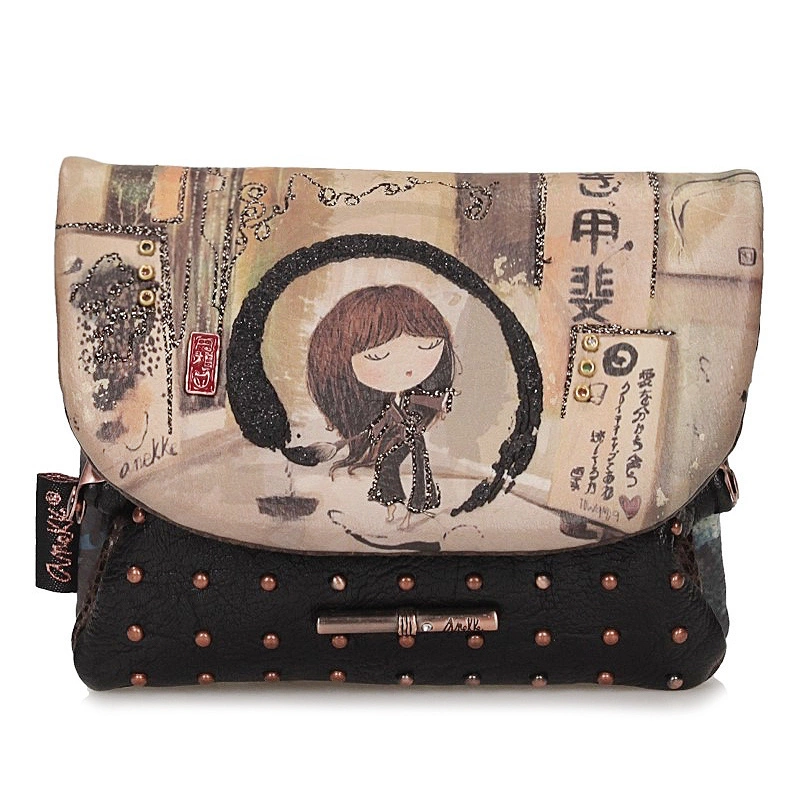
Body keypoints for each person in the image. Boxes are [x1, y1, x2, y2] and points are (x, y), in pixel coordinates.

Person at [306, 284, 456, 527]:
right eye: (377, 356)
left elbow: (430, 402)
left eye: (428, 346)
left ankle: (417, 504)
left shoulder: (413, 396)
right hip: (402, 438)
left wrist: (442, 402)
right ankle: (391, 503)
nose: (407, 368)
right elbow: (383, 421)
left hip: (413, 439)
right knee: (387, 463)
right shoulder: (386, 402)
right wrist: (370, 432)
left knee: (416, 469)